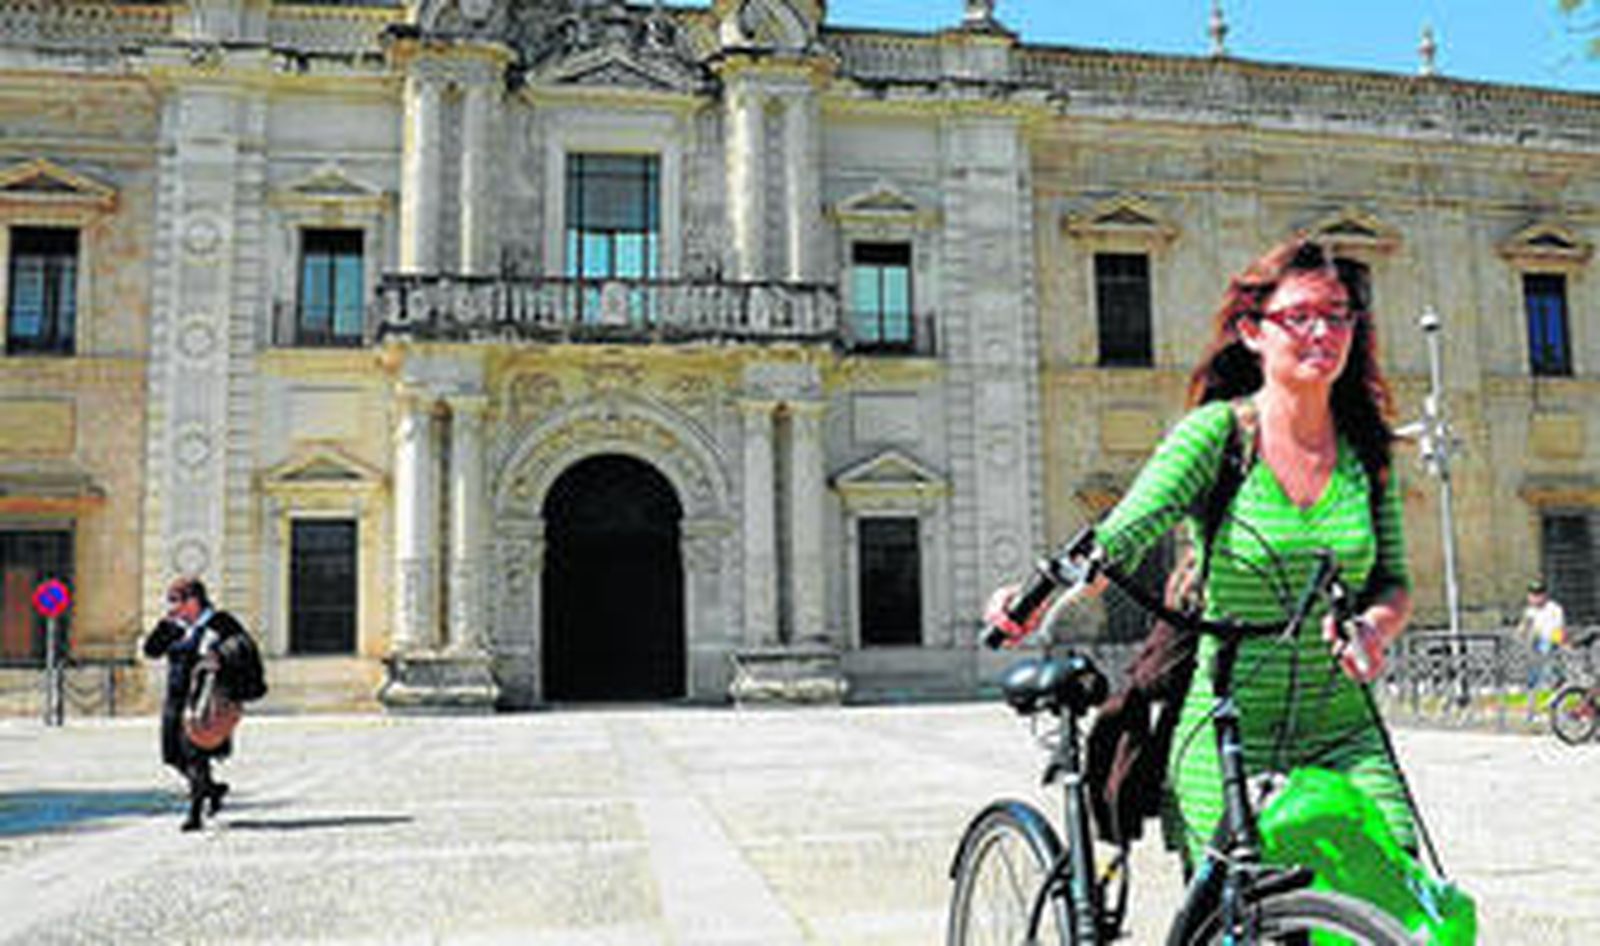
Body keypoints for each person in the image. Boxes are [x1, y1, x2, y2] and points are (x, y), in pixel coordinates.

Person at [989, 237, 1417, 869]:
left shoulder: (1366, 451)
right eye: (1300, 316)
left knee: (1399, 881)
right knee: (1243, 893)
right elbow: (1122, 534)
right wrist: (1040, 593)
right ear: (1253, 331)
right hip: (1227, 730)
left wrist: (1374, 627)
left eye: (1337, 315)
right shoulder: (1217, 434)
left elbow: (1393, 581)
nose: (1323, 332)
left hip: (1344, 729)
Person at [143, 576, 249, 831]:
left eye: (176, 600)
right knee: (173, 755)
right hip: (175, 699)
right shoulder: (175, 626)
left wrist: (220, 656)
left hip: (205, 700)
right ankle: (212, 789)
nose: (172, 606)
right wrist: (164, 626)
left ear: (193, 601)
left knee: (195, 756)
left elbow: (242, 648)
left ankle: (195, 812)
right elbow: (151, 651)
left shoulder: (219, 622)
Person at [1516, 578, 1566, 710]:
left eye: (1538, 594)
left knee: (1553, 673)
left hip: (1550, 645)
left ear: (1544, 595)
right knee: (1533, 676)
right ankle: (1531, 706)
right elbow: (1523, 629)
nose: (1535, 598)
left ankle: (1556, 701)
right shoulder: (1529, 611)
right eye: (1532, 595)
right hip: (1535, 646)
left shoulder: (1554, 609)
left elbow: (1559, 630)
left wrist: (1554, 644)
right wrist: (1522, 631)